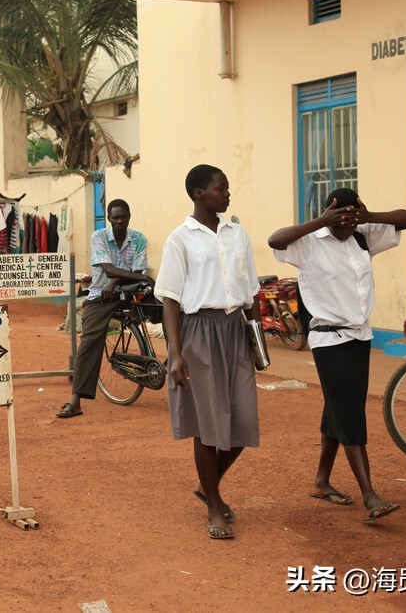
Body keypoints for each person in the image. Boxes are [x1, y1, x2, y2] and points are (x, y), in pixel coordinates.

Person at [269, 188, 406, 523]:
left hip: (360, 336)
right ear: (329, 215)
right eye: (342, 219)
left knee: (339, 406)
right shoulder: (310, 242)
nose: (347, 225)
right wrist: (321, 222)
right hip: (327, 339)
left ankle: (321, 482)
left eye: (352, 218)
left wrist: (369, 217)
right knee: (350, 412)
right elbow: (274, 240)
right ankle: (369, 495)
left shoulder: (362, 237)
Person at [154, 164, 261, 540]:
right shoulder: (180, 240)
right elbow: (169, 300)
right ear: (199, 194)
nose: (227, 194)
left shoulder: (237, 234)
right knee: (207, 425)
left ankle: (207, 486)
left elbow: (251, 291)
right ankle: (214, 506)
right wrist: (176, 352)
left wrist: (257, 340)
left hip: (234, 331)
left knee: (243, 423)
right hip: (198, 331)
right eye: (221, 188)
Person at [55, 199, 154, 419]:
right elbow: (109, 269)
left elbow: (136, 272)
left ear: (129, 216)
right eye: (115, 217)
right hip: (102, 295)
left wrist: (116, 282)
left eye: (123, 217)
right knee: (90, 340)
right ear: (109, 219)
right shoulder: (99, 236)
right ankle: (76, 399)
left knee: (170, 312)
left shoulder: (139, 239)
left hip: (129, 293)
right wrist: (120, 279)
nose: (120, 221)